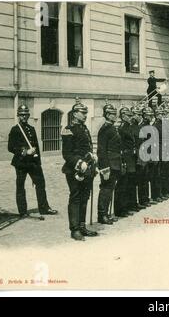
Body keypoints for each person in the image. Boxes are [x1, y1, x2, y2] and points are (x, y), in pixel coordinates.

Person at [8, 104, 57, 218]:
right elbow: (10, 147)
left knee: (40, 183)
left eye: (26, 115)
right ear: (18, 116)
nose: (24, 117)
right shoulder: (15, 130)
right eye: (21, 115)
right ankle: (23, 211)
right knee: (20, 186)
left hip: (33, 163)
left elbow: (36, 148)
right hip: (21, 162)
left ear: (28, 116)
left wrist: (38, 162)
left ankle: (44, 208)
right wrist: (25, 151)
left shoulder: (31, 129)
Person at [61, 99, 98, 241]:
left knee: (85, 197)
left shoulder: (83, 128)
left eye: (86, 113)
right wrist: (79, 162)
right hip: (74, 170)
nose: (85, 115)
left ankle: (82, 226)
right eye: (83, 113)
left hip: (87, 168)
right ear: (75, 114)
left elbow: (86, 147)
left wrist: (92, 156)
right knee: (75, 197)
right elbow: (67, 154)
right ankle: (74, 229)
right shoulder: (68, 130)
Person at [96, 102, 120, 225]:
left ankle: (106, 213)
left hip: (114, 163)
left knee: (110, 189)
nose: (114, 115)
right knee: (105, 189)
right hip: (108, 164)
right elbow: (101, 150)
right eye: (111, 114)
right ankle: (102, 215)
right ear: (106, 115)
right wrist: (104, 168)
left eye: (115, 113)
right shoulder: (105, 129)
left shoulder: (112, 127)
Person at [114, 107, 138, 216]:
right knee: (122, 184)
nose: (130, 117)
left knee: (129, 183)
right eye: (128, 116)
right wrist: (122, 160)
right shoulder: (121, 128)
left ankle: (128, 205)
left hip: (131, 157)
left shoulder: (129, 127)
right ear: (123, 116)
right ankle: (120, 209)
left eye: (130, 115)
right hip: (125, 157)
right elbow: (120, 145)